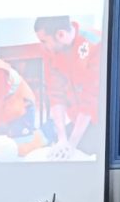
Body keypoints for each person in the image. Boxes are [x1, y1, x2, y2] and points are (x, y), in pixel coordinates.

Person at [34, 15, 102, 158]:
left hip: (101, 120)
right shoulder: (51, 50)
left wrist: (72, 144)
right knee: (57, 150)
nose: (42, 46)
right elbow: (55, 94)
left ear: (61, 35)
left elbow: (90, 100)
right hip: (77, 118)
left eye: (44, 41)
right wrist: (62, 139)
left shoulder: (95, 44)